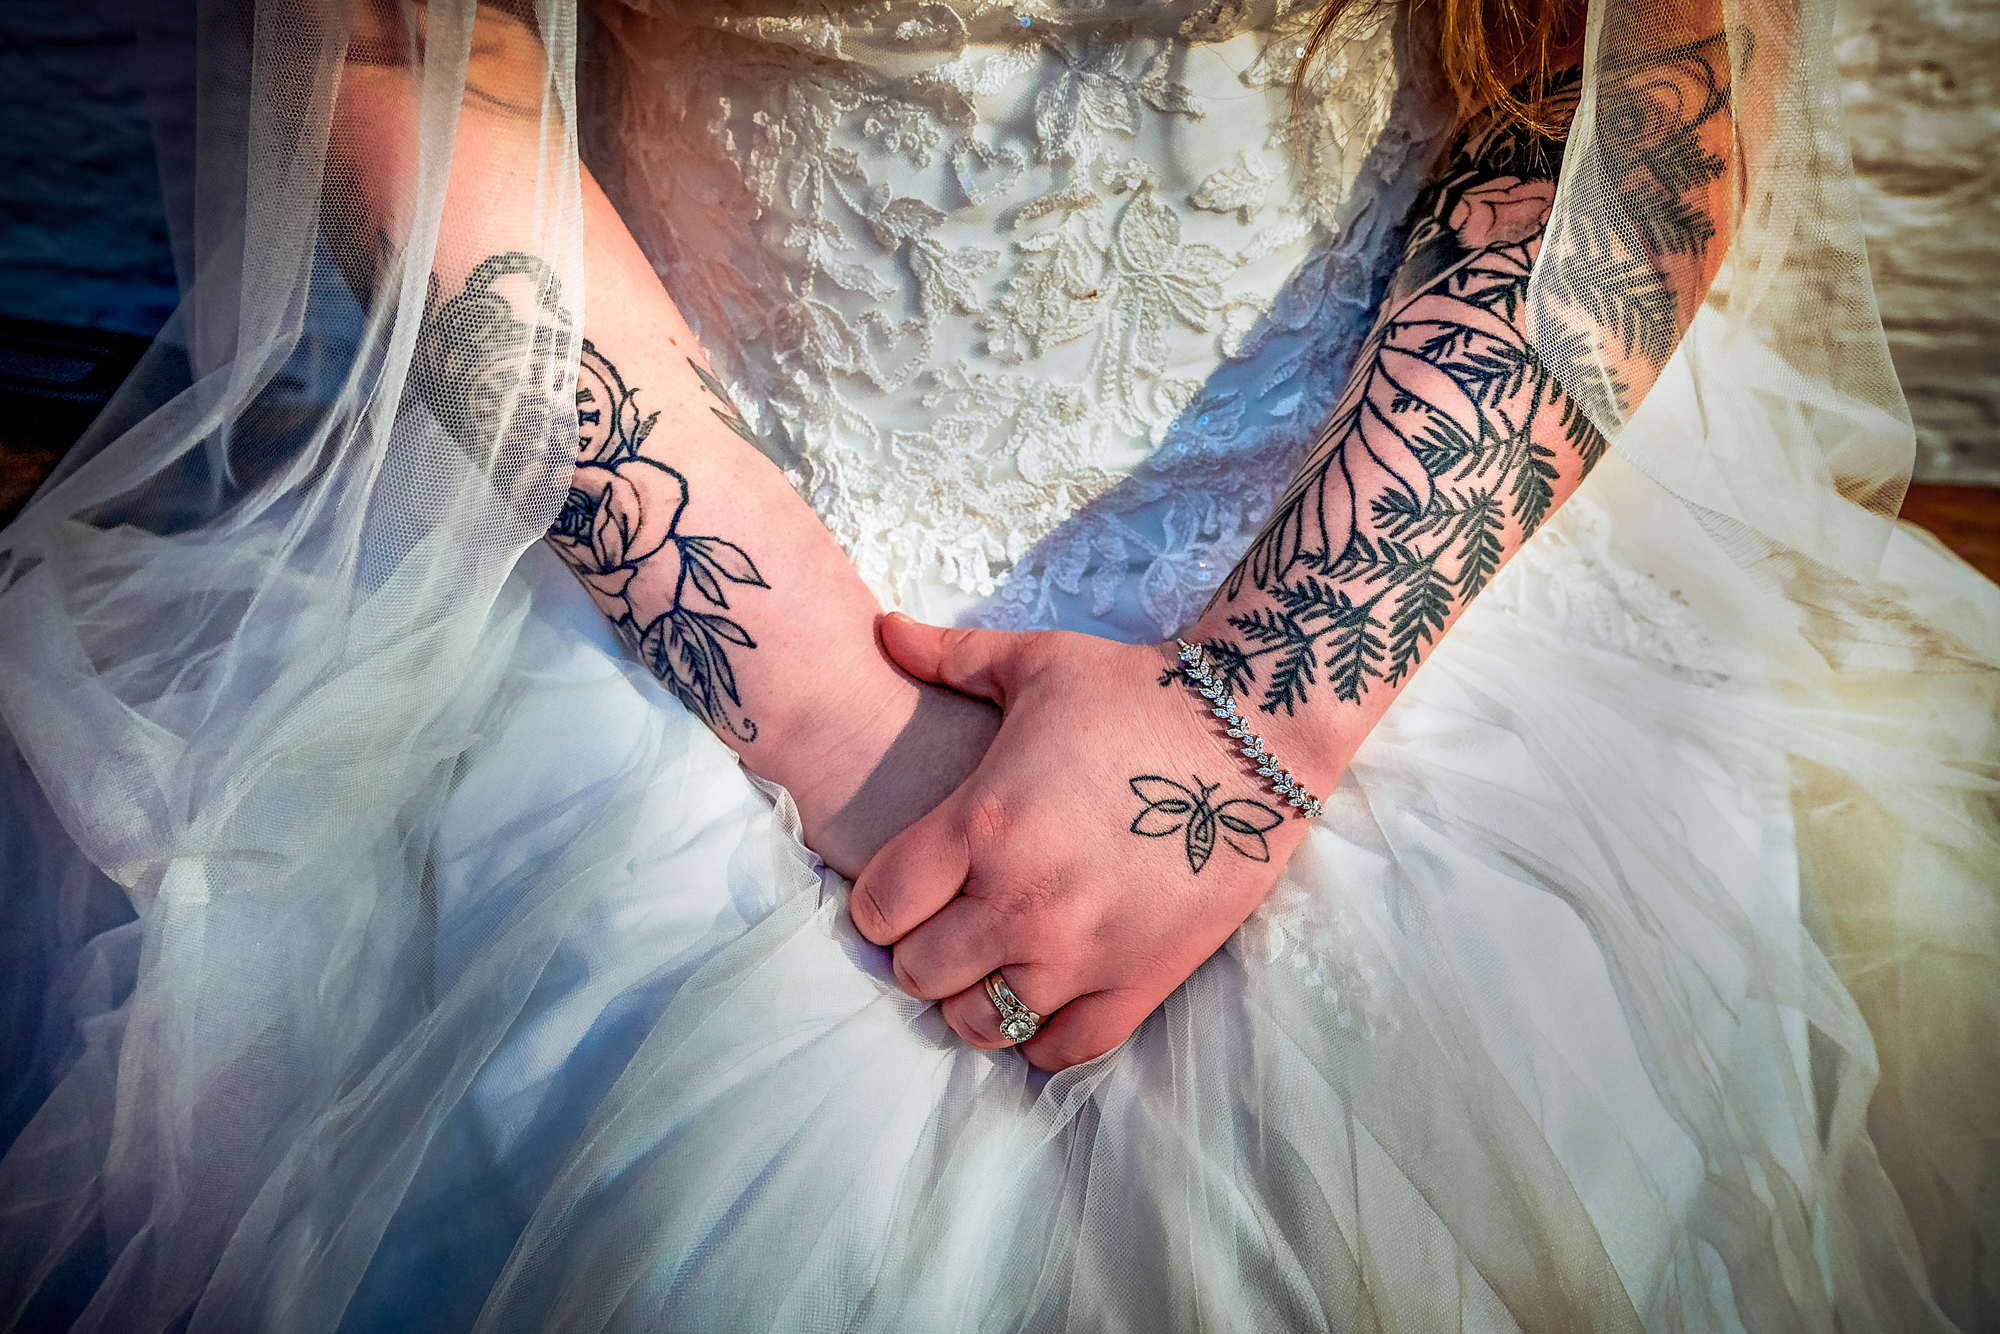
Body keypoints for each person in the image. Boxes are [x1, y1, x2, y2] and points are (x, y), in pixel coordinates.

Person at [0, 0, 1993, 1328]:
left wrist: (1252, 718)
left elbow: (1644, 77)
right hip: (709, 608)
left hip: (1400, 556)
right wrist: (846, 733)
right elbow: (401, 57)